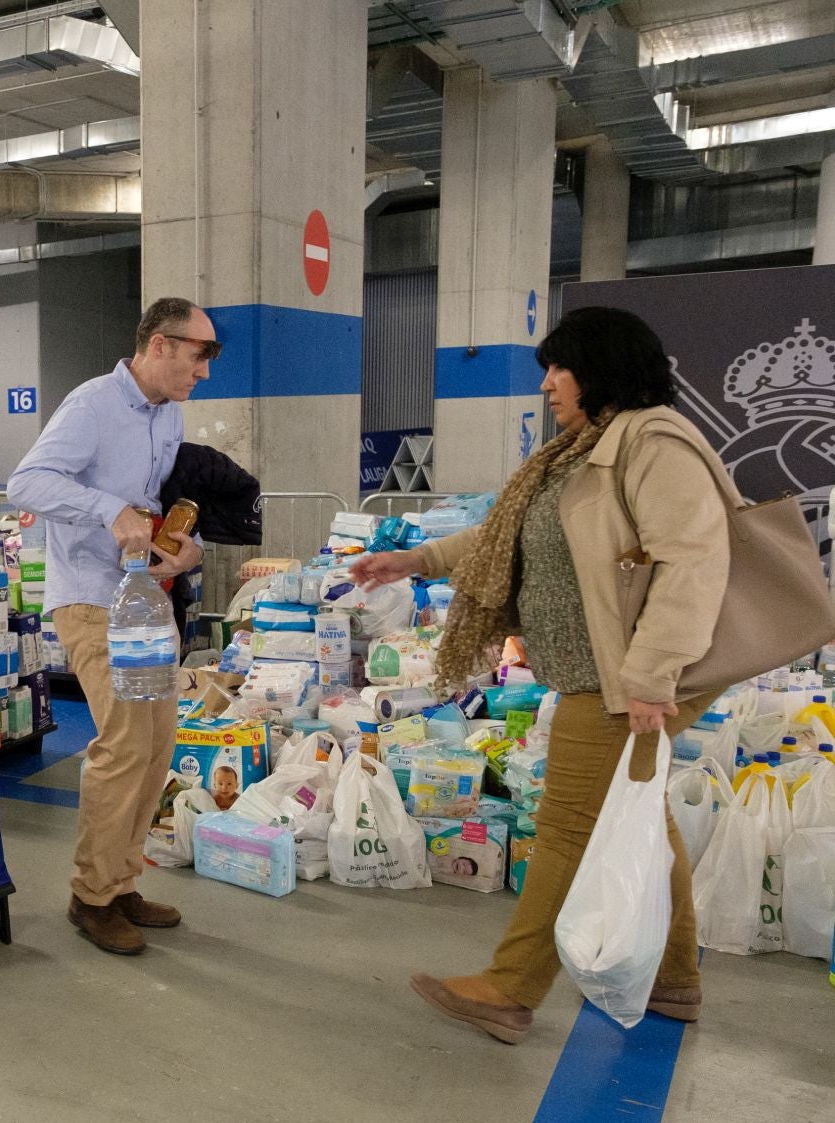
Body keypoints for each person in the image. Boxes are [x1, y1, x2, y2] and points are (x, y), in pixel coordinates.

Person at [350, 306, 732, 1044]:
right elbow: (508, 535)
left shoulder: (654, 444)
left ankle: (510, 987)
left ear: (600, 370)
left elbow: (693, 561)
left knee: (565, 828)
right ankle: (674, 981)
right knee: (639, 818)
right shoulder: (581, 449)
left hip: (621, 678)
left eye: (559, 369)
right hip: (599, 671)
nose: (548, 385)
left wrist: (651, 677)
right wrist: (416, 559)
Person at [6, 297, 211, 955]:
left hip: (144, 596)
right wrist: (106, 507)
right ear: (158, 345)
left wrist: (182, 547)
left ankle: (122, 883)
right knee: (124, 742)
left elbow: (147, 510)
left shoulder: (169, 417)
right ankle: (90, 897)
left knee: (155, 748)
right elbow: (26, 483)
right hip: (92, 602)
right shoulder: (92, 405)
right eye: (199, 353)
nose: (205, 370)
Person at [158, 442, 263, 645]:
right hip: (116, 590)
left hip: (163, 595)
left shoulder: (171, 421)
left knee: (167, 665)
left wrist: (194, 551)